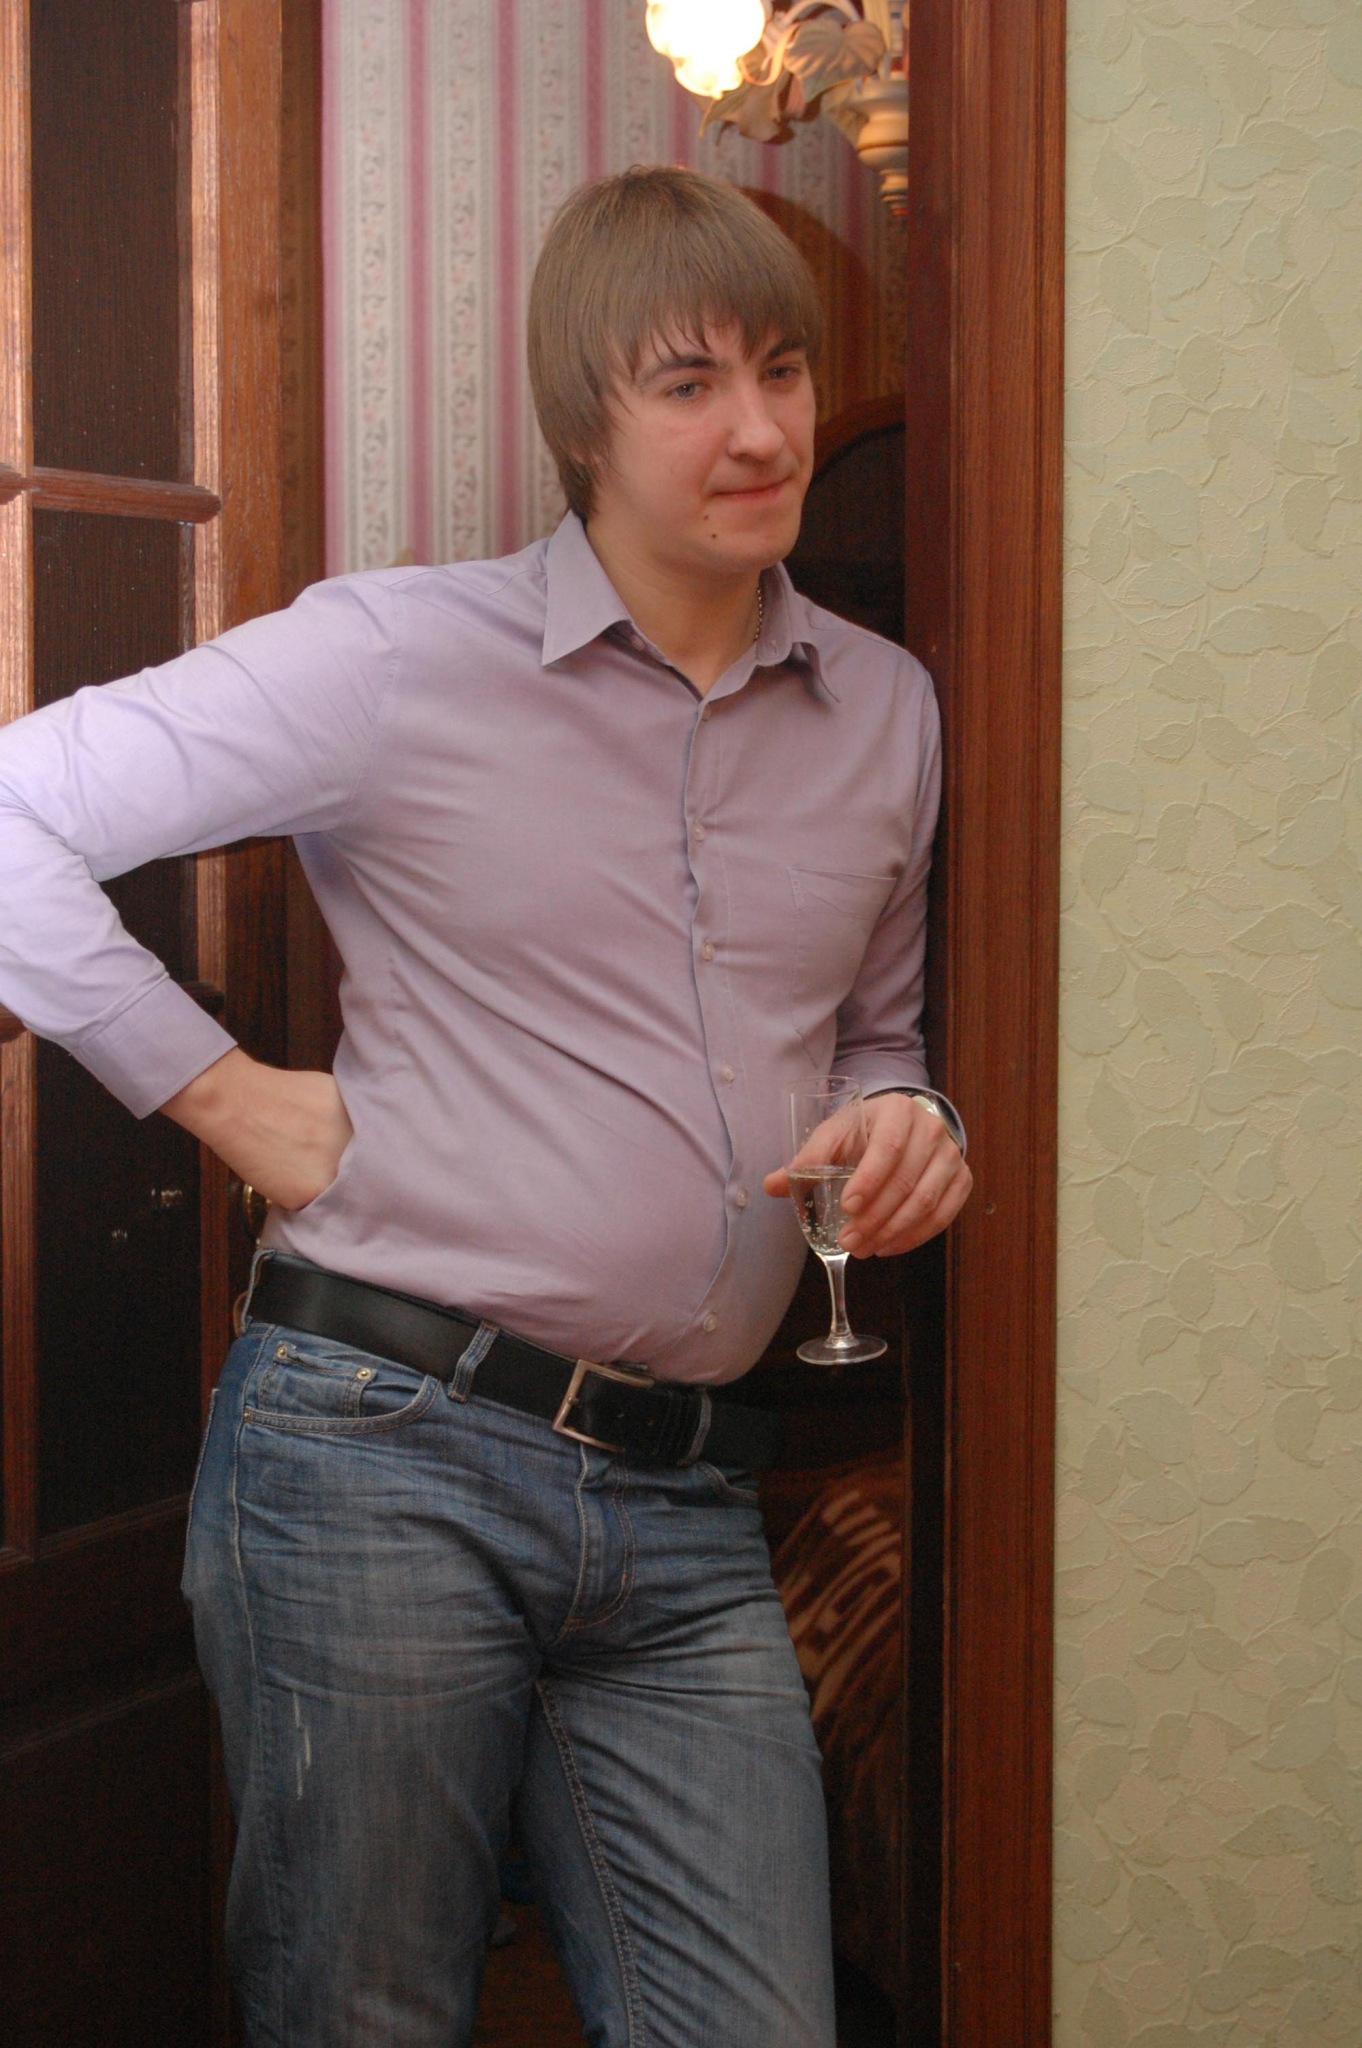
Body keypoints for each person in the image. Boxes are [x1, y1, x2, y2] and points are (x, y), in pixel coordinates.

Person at [0, 166, 971, 2046]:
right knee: (366, 2019)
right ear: (580, 421)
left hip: (691, 1497)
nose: (762, 431)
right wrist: (215, 1091)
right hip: (382, 1451)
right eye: (689, 384)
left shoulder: (887, 710)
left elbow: (873, 1036)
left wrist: (910, 1117)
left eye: (782, 371)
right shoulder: (392, 656)